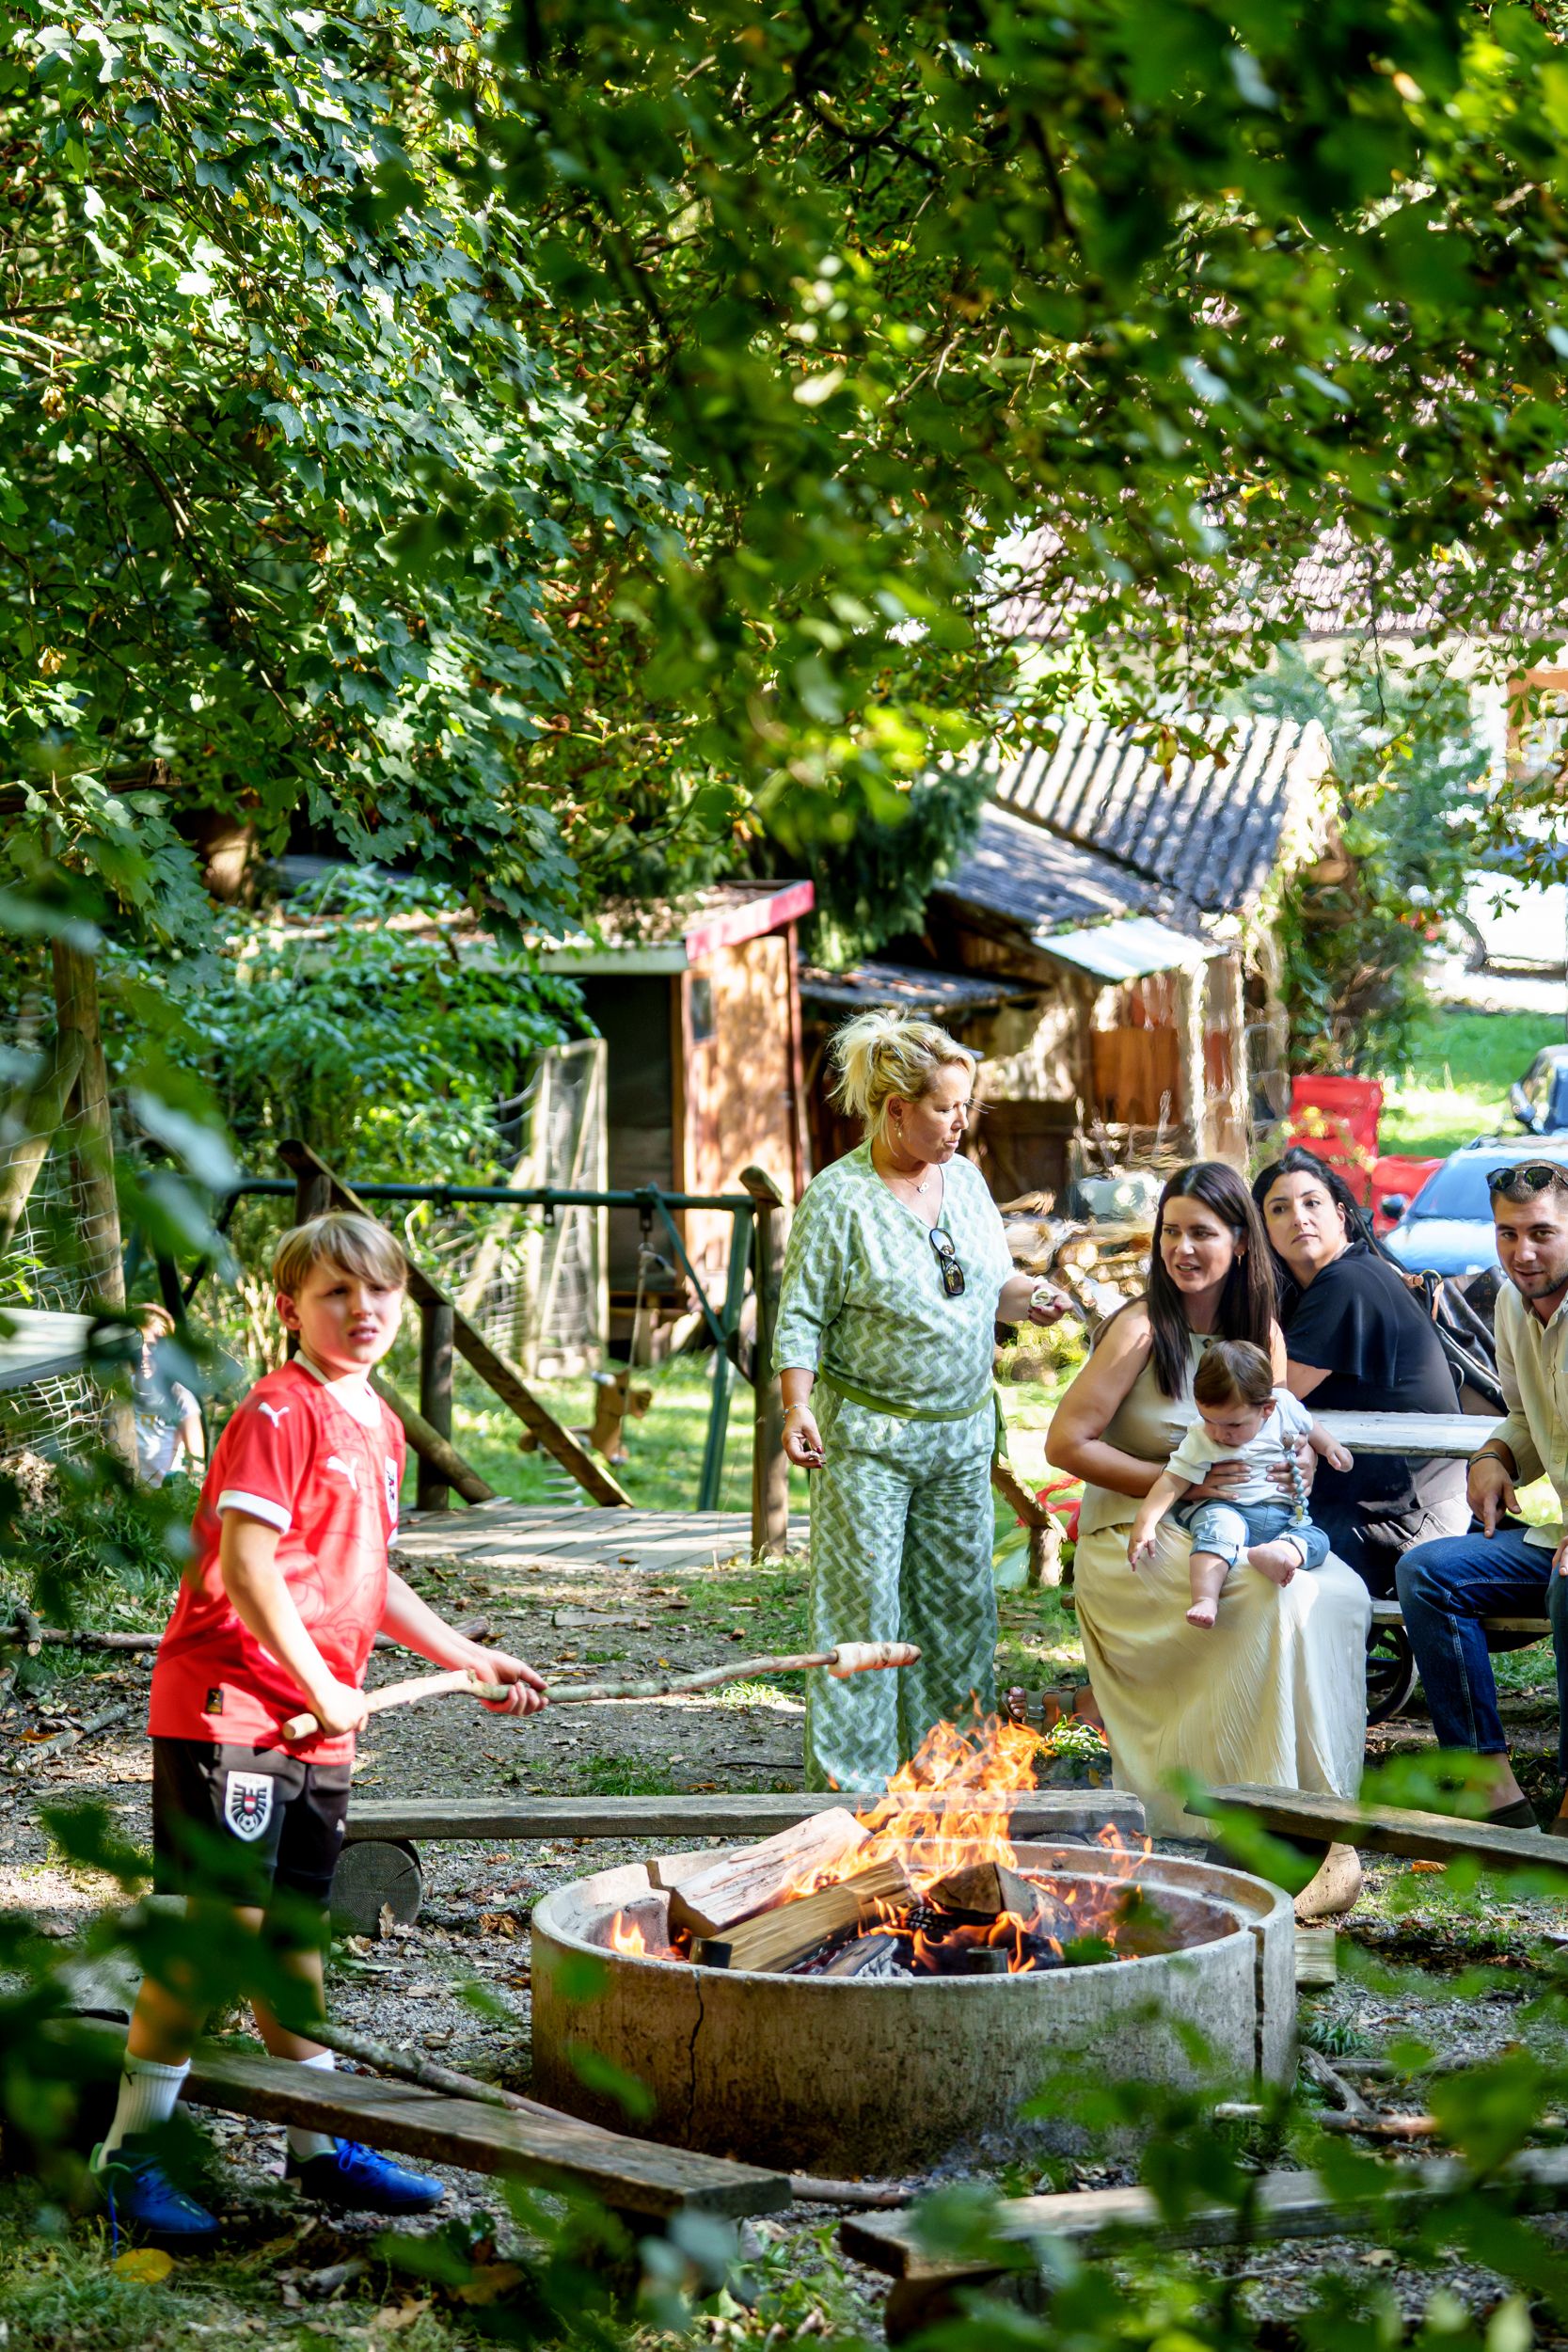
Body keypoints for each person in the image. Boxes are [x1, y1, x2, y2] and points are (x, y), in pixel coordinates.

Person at [95, 1212, 547, 2247]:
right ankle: (128, 2160)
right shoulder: (277, 1411)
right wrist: (316, 1679)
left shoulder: (376, 1423)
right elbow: (245, 1568)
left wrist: (463, 1655)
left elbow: (367, 1573)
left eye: (380, 1291)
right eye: (336, 1293)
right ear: (290, 1306)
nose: (363, 1311)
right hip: (234, 1712)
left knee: (294, 1939)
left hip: (315, 1724)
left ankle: (316, 2147)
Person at [774, 1009, 1067, 1791]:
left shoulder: (965, 1182)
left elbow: (986, 1284)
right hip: (864, 1438)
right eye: (944, 1108)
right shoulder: (838, 1200)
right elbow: (800, 1312)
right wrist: (796, 1407)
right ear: (894, 1109)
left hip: (959, 1438)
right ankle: (855, 1783)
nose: (959, 1123)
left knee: (957, 1609)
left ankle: (951, 1771)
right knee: (861, 1612)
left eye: (965, 1107)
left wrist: (1026, 1297)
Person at [1045, 1162, 1372, 1860]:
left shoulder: (1262, 1336)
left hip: (1246, 1526)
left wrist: (1300, 1461)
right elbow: (1063, 1444)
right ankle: (1225, 1799)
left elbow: (1280, 1429)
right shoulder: (1139, 1330)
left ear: (1241, 1244)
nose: (1181, 1250)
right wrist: (1181, 1484)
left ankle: (1306, 1800)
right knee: (1260, 1592)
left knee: (1333, 1590)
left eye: (1201, 1233)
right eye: (1169, 1233)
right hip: (1132, 1536)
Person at [1396, 1160, 1568, 1832]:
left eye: (1541, 1233)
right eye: (1506, 1233)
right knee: (1425, 1574)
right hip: (1556, 1543)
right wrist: (1495, 1455)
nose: (1521, 1252)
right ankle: (1488, 1785)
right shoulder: (1508, 1303)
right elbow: (1524, 1416)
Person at [1252, 1149, 1469, 1596]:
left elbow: (1269, 1400)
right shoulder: (1332, 1282)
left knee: (1241, 1554)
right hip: (1392, 1502)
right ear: (1263, 1228)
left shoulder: (1347, 1283)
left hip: (1404, 1520)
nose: (1299, 1217)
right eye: (1280, 1208)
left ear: (1340, 1215)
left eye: (1312, 1203)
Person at [1130, 1338, 1352, 1629]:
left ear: (1267, 1409)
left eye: (1233, 1425)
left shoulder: (1284, 1405)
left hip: (1284, 1516)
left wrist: (1331, 1447)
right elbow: (1173, 1479)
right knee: (1218, 1529)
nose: (1220, 1434)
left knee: (1318, 1540)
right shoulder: (1201, 1437)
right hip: (1227, 1507)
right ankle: (1205, 1598)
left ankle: (1278, 1553)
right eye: (1209, 1420)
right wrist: (1145, 1523)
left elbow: (1308, 1425)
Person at [131, 1304, 205, 1486]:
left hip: (165, 1497)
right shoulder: (118, 1390)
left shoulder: (180, 1397)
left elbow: (197, 1465)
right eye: (137, 1344)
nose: (143, 1353)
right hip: (128, 1496)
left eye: (152, 1346)